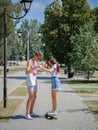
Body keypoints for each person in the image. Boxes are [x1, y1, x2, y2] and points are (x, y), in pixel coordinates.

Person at [25, 52, 43, 119]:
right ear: (35, 55)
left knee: (35, 96)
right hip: (30, 81)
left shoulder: (35, 62)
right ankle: (27, 114)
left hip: (34, 80)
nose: (38, 59)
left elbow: (36, 69)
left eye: (40, 58)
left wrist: (42, 67)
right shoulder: (30, 62)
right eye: (38, 57)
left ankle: (31, 112)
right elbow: (27, 72)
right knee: (30, 97)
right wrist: (34, 67)